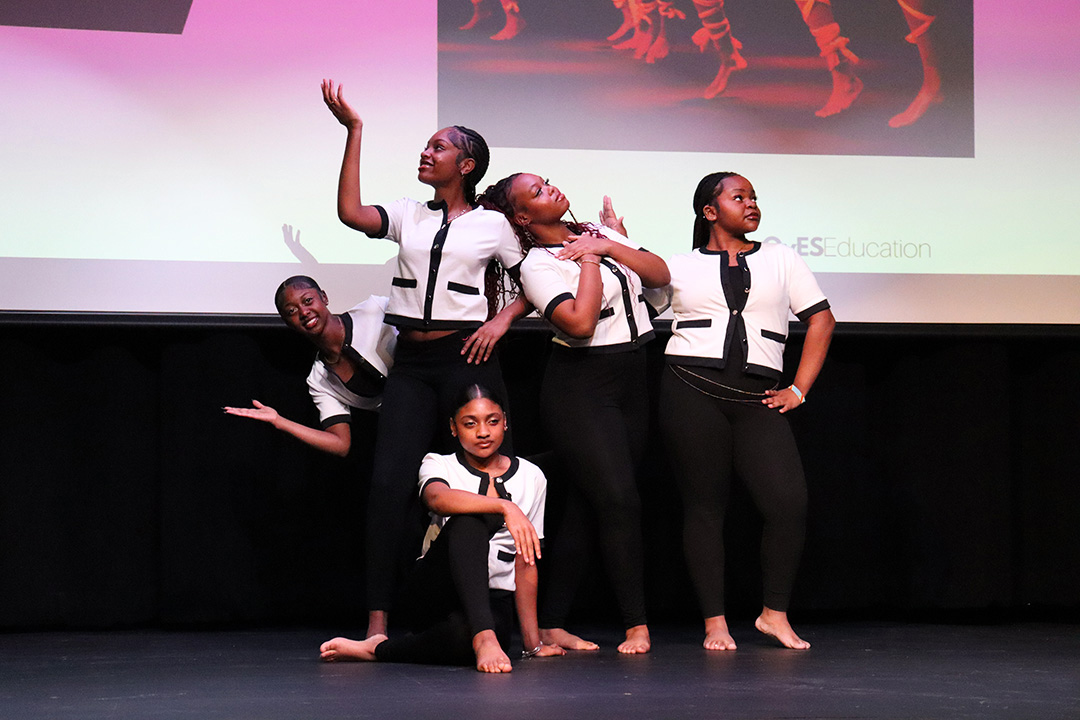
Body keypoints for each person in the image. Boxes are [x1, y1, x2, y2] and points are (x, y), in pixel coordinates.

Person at [321, 79, 531, 639]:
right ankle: (378, 622)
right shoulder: (410, 214)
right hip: (411, 367)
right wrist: (354, 131)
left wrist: (501, 319)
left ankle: (501, 621)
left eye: (439, 147)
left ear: (466, 165)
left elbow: (536, 282)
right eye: (427, 145)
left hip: (467, 358)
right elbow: (350, 213)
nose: (426, 152)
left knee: (494, 480)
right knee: (389, 486)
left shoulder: (495, 225)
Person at [478, 173, 670, 654]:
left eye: (547, 181)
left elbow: (660, 274)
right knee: (621, 502)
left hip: (632, 379)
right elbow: (580, 323)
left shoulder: (595, 233)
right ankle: (636, 624)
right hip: (582, 389)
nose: (552, 189)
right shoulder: (537, 266)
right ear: (522, 217)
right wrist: (590, 259)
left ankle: (553, 622)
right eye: (538, 192)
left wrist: (605, 243)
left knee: (590, 509)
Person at [649, 172, 834, 651]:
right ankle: (715, 622)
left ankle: (774, 614)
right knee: (705, 507)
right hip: (690, 390)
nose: (751, 204)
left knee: (788, 503)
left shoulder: (781, 258)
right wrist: (615, 241)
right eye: (739, 197)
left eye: (754, 197)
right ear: (709, 212)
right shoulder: (678, 266)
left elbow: (821, 319)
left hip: (757, 399)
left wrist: (799, 388)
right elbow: (644, 302)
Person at [320, 384, 566, 672]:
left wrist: (532, 644)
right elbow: (437, 498)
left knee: (464, 636)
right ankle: (483, 637)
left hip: (492, 597)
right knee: (469, 520)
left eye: (493, 421)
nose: (483, 432)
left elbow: (527, 559)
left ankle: (378, 650)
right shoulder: (438, 463)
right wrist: (504, 506)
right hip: (436, 589)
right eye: (470, 423)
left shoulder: (531, 476)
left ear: (505, 422)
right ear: (453, 427)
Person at [224, 277, 396, 457]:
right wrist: (279, 421)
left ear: (324, 297)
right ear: (287, 323)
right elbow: (340, 444)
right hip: (404, 429)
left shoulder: (374, 309)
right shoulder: (319, 380)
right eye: (291, 311)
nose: (304, 312)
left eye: (308, 301)